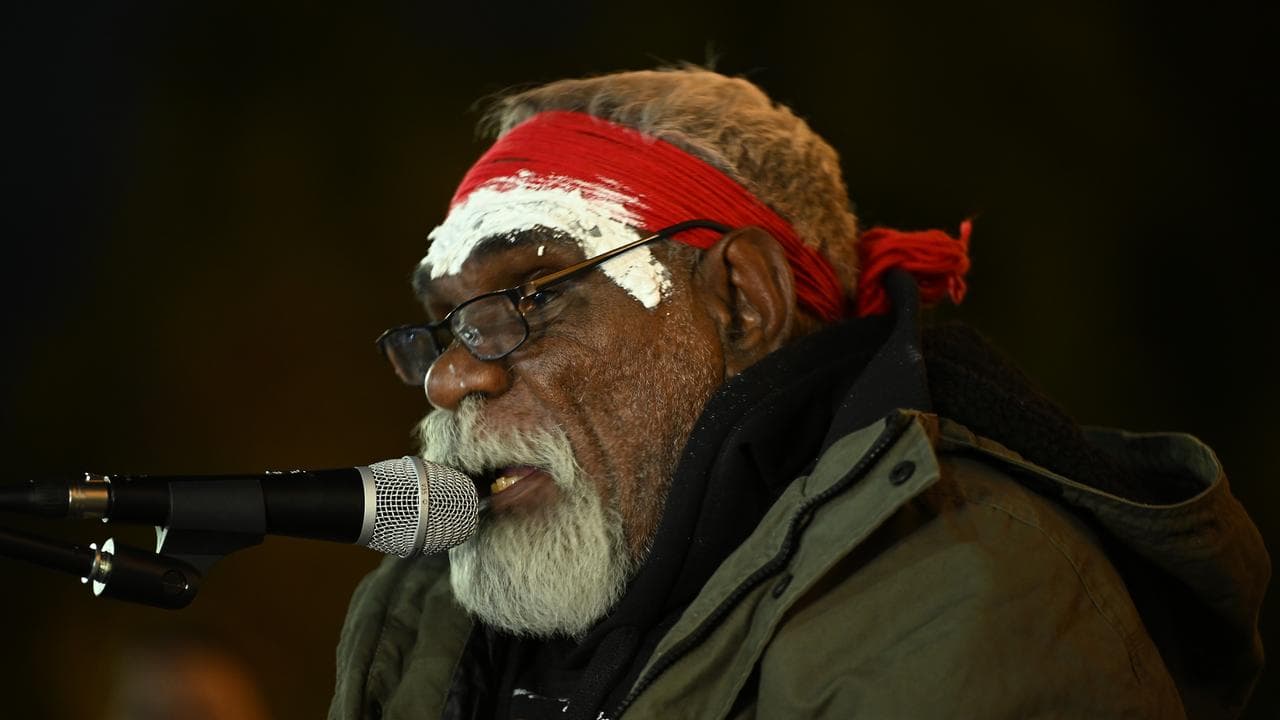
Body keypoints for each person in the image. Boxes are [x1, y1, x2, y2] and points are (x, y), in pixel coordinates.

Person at [329, 67, 1269, 720]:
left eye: (530, 296)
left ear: (742, 301)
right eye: (446, 327)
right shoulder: (434, 619)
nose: (454, 375)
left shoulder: (970, 600)